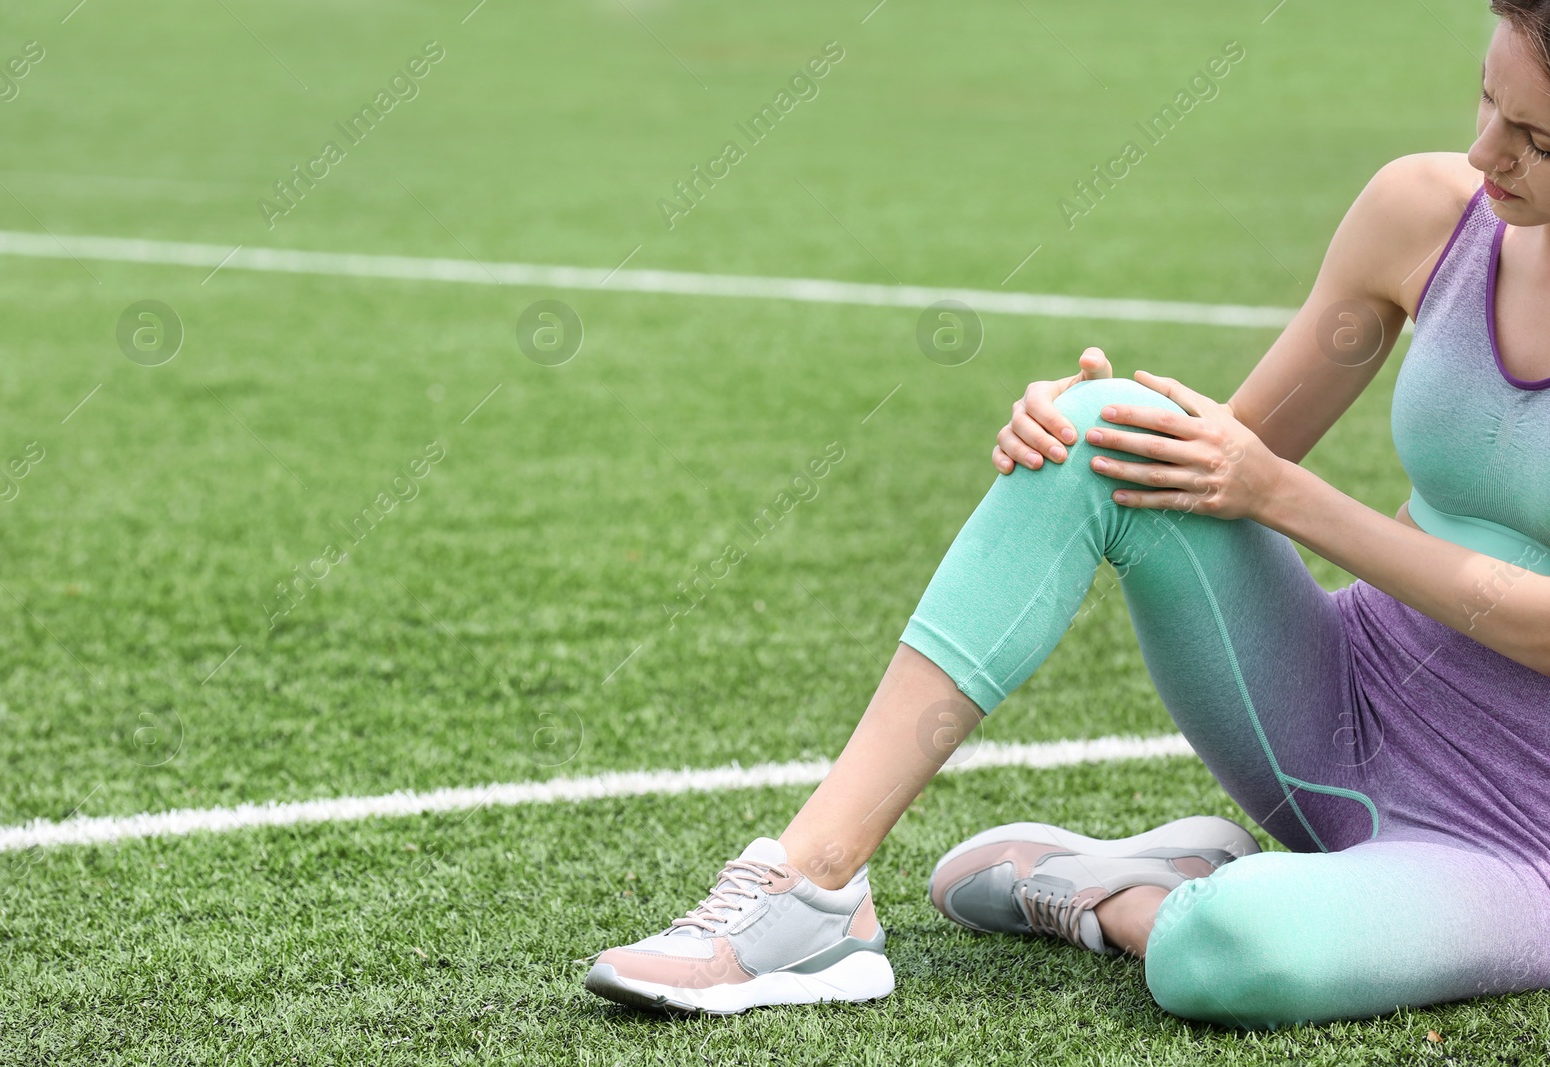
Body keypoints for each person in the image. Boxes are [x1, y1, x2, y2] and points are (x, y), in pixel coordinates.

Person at [584, 1, 1550, 1028]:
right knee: (1101, 432)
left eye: (1536, 137)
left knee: (1224, 947)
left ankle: (1112, 892)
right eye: (1488, 100)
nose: (1485, 151)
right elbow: (1215, 454)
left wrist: (1282, 493)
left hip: (1514, 843)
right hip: (1331, 708)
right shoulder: (1423, 212)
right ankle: (811, 889)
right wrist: (1088, 435)